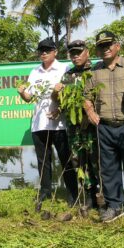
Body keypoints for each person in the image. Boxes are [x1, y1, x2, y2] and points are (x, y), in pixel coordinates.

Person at [83, 31, 124, 223]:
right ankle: (114, 206)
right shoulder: (94, 71)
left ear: (117, 46)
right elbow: (86, 96)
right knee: (108, 169)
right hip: (105, 127)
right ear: (97, 51)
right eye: (101, 46)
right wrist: (90, 112)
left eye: (108, 45)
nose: (105, 49)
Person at [16, 38, 77, 212]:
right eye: (41, 50)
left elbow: (72, 94)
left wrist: (60, 108)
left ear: (55, 52)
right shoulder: (35, 71)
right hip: (39, 123)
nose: (43, 53)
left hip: (59, 124)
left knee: (65, 159)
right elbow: (29, 98)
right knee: (43, 161)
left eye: (47, 50)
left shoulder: (65, 68)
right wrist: (22, 93)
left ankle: (73, 193)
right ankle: (45, 192)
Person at [52, 38, 98, 211]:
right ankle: (88, 196)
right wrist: (56, 94)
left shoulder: (96, 71)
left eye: (79, 53)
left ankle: (103, 196)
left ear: (87, 52)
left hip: (93, 126)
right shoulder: (68, 75)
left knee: (97, 161)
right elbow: (61, 101)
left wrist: (88, 114)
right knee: (78, 161)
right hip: (74, 127)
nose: (76, 56)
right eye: (73, 54)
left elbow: (101, 97)